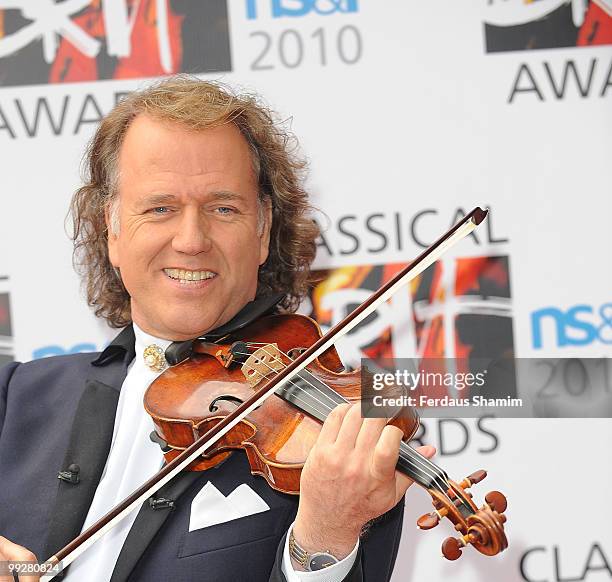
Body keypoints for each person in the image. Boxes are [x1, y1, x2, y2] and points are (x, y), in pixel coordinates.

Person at [0, 77, 434, 582]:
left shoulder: (341, 435)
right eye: (159, 208)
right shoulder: (16, 400)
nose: (191, 240)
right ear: (111, 231)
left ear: (263, 229)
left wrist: (325, 536)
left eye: (223, 208)